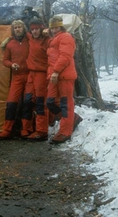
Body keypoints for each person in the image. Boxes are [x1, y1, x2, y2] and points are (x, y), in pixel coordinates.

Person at [46, 16, 80, 144]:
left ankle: (65, 132)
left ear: (61, 26)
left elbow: (65, 56)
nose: (54, 30)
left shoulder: (66, 37)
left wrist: (55, 71)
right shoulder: (53, 38)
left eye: (56, 27)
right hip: (54, 76)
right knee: (50, 102)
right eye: (52, 27)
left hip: (64, 75)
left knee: (65, 104)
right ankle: (73, 118)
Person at [0, 20, 32, 139]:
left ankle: (25, 128)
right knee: (11, 103)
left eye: (20, 27)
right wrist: (11, 64)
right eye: (15, 28)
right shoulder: (10, 44)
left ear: (24, 28)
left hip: (29, 76)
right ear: (13, 30)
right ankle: (7, 129)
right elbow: (5, 60)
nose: (18, 29)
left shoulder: (30, 40)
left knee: (28, 102)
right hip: (16, 77)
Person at [23, 17, 51, 141]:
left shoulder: (47, 41)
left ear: (41, 29)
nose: (34, 31)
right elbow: (19, 32)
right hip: (31, 73)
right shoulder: (30, 38)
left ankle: (41, 131)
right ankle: (27, 128)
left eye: (37, 29)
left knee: (40, 102)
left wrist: (47, 31)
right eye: (32, 29)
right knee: (28, 100)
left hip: (41, 74)